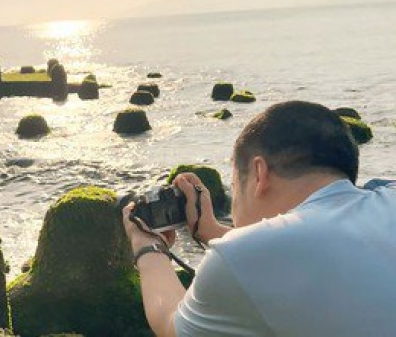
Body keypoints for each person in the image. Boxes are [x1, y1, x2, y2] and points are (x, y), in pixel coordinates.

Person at [123, 100, 396, 336]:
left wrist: (147, 245)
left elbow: (171, 324)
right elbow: (318, 246)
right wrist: (212, 231)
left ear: (259, 174)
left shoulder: (239, 255)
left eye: (235, 185)